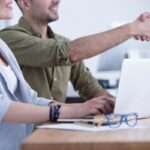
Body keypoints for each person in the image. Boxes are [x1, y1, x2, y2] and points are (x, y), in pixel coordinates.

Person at [0, 0, 116, 150]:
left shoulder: (2, 47)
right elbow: (2, 107)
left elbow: (30, 98)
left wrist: (89, 107)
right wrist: (76, 110)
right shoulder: (9, 38)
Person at [1, 0, 150, 105]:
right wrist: (131, 29)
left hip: (56, 134)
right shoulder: (8, 38)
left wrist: (124, 108)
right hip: (26, 139)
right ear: (25, 2)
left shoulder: (63, 42)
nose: (57, 1)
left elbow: (90, 88)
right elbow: (67, 53)